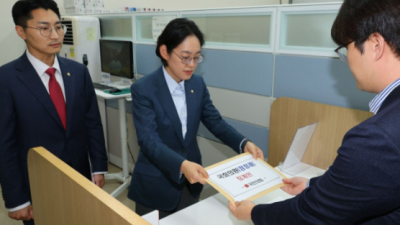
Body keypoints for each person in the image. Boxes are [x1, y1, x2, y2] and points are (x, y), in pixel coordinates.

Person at [229, 0, 400, 224]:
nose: (346, 60)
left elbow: (309, 215)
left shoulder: (377, 137)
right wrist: (313, 185)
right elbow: (373, 188)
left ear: (375, 45)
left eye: (346, 49)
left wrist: (253, 213)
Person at [127, 18, 264, 219]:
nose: (191, 64)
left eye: (197, 57)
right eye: (185, 57)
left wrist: (243, 143)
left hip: (190, 183)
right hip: (155, 185)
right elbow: (149, 141)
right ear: (165, 52)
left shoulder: (197, 84)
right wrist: (182, 165)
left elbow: (215, 122)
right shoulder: (144, 89)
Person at [0, 1, 108, 224]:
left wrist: (98, 168)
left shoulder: (78, 72)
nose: (55, 35)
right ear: (21, 31)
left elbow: (92, 124)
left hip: (80, 175)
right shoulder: (7, 79)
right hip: (37, 183)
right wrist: (16, 199)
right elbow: (5, 144)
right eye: (44, 28)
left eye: (59, 27)